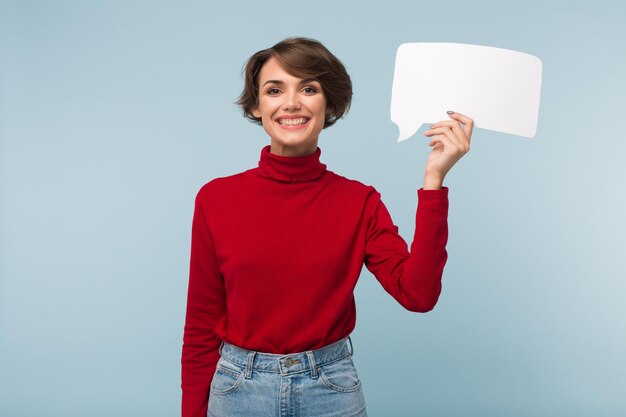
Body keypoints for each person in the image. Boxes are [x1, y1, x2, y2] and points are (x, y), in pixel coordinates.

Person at [181, 36, 473, 417]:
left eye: (308, 88)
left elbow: (418, 295)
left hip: (330, 389)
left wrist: (434, 180)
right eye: (274, 90)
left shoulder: (359, 201)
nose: (291, 102)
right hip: (238, 390)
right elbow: (201, 323)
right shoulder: (216, 199)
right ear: (256, 106)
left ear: (329, 103)